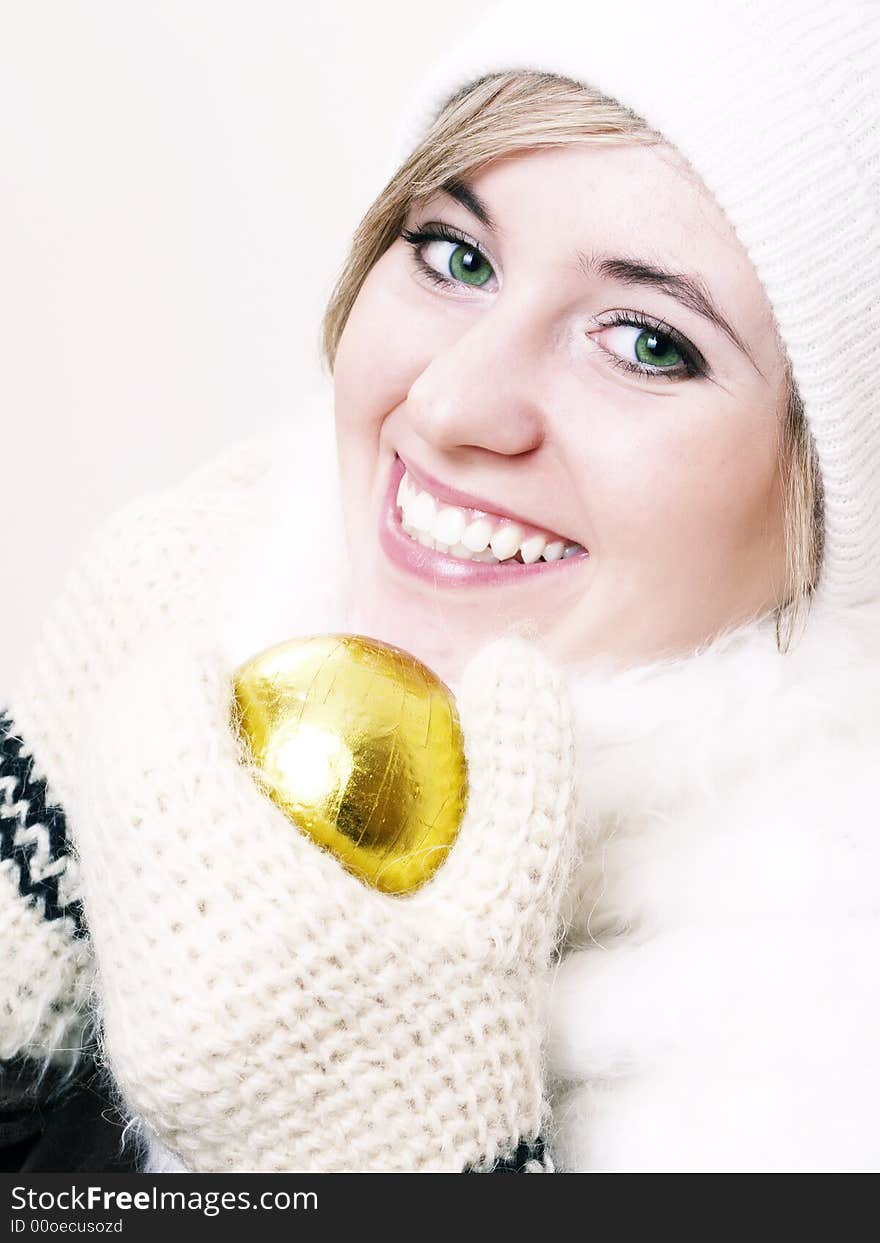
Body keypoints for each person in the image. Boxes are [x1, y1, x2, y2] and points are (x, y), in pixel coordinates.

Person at [3, 0, 880, 1172]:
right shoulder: (201, 605)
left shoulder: (829, 1055)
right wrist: (39, 887)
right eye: (455, 256)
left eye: (647, 341)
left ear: (834, 493)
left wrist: (369, 1157)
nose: (451, 404)